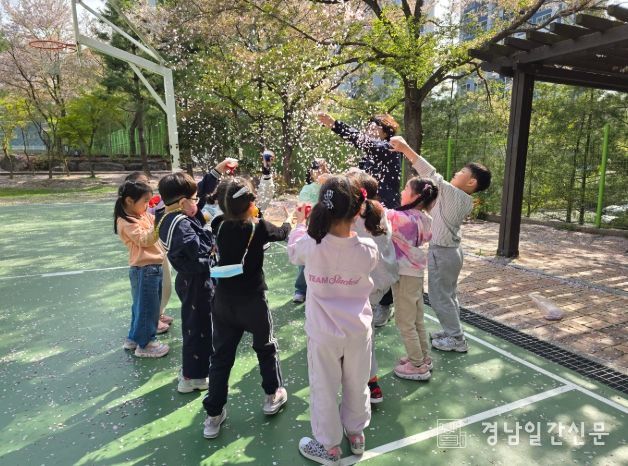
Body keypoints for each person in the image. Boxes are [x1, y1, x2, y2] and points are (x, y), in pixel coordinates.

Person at [288, 175, 378, 464]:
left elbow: (294, 252)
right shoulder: (368, 249)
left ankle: (328, 446)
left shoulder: (311, 245)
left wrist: (300, 223)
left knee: (324, 387)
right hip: (358, 331)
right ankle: (356, 432)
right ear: (358, 210)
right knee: (358, 382)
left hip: (323, 333)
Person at [202, 177, 292, 439]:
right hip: (253, 302)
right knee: (266, 348)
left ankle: (213, 414)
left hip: (223, 302)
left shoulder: (218, 224)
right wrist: (290, 219)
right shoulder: (258, 227)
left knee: (220, 358)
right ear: (251, 203)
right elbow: (282, 233)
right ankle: (272, 394)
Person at [390, 136, 491, 353]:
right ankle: (451, 331)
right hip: (452, 253)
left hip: (443, 253)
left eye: (462, 172)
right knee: (449, 295)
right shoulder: (460, 200)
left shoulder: (454, 195)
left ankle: (456, 339)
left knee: (439, 298)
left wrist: (406, 148)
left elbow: (430, 174)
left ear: (471, 182)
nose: (456, 173)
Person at [155, 158, 235, 393]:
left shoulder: (167, 214)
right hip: (196, 282)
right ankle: (193, 377)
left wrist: (217, 170)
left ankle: (194, 370)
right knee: (198, 329)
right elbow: (200, 249)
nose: (198, 202)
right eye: (193, 200)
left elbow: (198, 191)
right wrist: (210, 229)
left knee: (198, 325)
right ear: (182, 202)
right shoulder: (181, 225)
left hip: (189, 281)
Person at [318, 112, 401, 325]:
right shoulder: (368, 155)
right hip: (365, 209)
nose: (368, 129)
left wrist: (335, 124)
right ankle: (369, 296)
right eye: (367, 126)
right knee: (366, 252)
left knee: (382, 255)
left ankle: (386, 304)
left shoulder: (390, 147)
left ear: (386, 131)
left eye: (373, 126)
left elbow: (364, 142)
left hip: (381, 210)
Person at [347, 170, 399, 403]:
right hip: (381, 281)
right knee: (364, 329)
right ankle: (370, 378)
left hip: (363, 285)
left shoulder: (352, 217)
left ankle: (368, 381)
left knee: (359, 334)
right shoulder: (378, 210)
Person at [386, 177, 439, 380]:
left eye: (406, 188)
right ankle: (423, 357)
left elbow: (376, 212)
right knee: (417, 319)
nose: (401, 191)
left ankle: (417, 365)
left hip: (405, 274)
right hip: (415, 273)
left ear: (416, 196)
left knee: (404, 321)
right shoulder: (425, 219)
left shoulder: (400, 218)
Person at [114, 180, 169, 358]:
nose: (147, 205)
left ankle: (133, 338)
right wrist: (159, 221)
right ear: (129, 201)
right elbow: (145, 239)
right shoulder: (125, 222)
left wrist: (163, 211)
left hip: (152, 268)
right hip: (144, 269)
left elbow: (155, 221)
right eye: (145, 201)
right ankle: (146, 344)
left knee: (142, 306)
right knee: (147, 308)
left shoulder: (141, 215)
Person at [124, 171, 173, 334]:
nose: (148, 184)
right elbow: (145, 239)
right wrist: (161, 219)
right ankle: (147, 336)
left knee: (163, 288)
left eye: (148, 181)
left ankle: (157, 315)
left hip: (157, 256)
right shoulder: (129, 218)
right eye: (143, 182)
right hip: (145, 265)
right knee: (146, 300)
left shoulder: (143, 211)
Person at [293, 158, 330, 304]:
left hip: (328, 228)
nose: (319, 171)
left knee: (325, 259)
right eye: (316, 169)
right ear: (311, 172)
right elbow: (304, 207)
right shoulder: (307, 188)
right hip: (311, 227)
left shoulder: (331, 186)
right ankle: (301, 289)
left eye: (322, 168)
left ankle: (322, 288)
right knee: (305, 259)